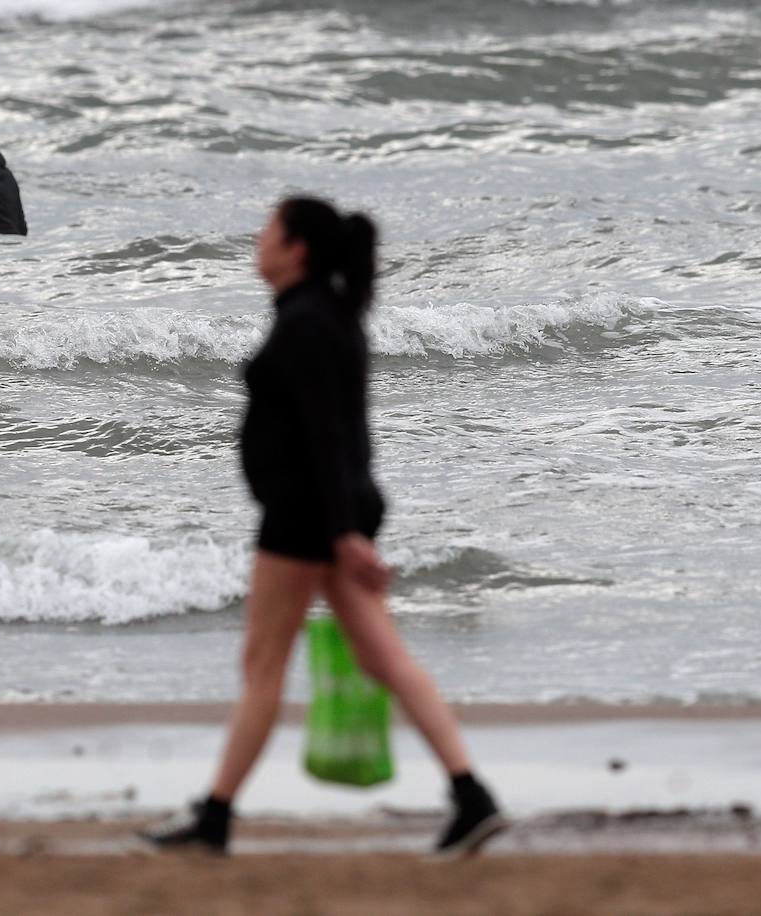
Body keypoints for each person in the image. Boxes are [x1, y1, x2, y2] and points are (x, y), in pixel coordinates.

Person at [140, 196, 505, 857]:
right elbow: (342, 437)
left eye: (268, 231)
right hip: (333, 515)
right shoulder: (328, 315)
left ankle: (215, 819)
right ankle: (472, 795)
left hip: (307, 521)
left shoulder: (309, 322)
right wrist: (354, 524)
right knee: (382, 657)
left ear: (296, 248)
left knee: (262, 666)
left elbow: (327, 436)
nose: (257, 240)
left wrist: (341, 533)